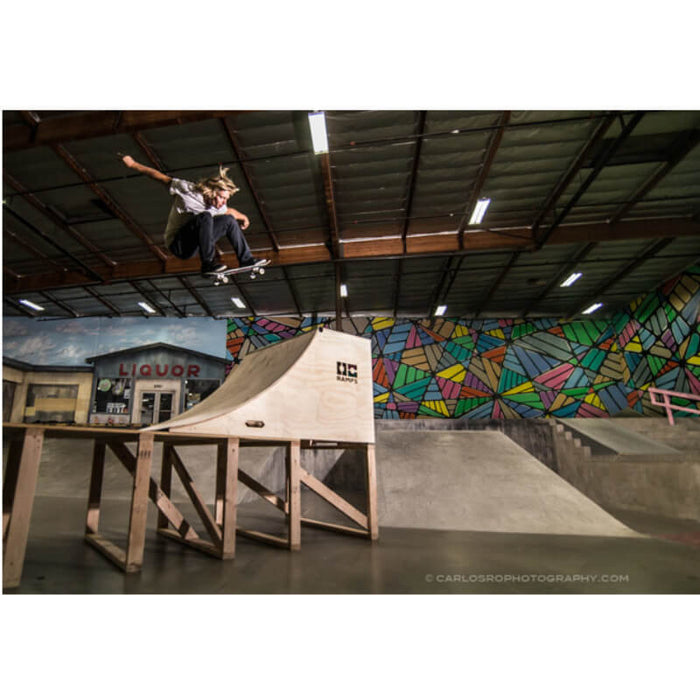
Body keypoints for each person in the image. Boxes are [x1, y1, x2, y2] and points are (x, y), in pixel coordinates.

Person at [121, 155, 268, 275]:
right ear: (212, 192)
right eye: (222, 198)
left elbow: (229, 212)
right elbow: (160, 177)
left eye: (226, 199)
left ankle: (246, 259)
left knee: (228, 220)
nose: (223, 203)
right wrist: (134, 164)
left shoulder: (219, 206)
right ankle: (207, 264)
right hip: (178, 245)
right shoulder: (187, 189)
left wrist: (243, 216)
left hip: (195, 246)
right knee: (205, 217)